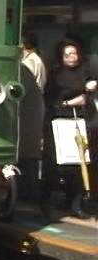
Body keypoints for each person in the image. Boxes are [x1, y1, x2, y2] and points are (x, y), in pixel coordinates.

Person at [42, 39, 97, 213]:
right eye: (67, 55)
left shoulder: (84, 73)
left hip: (81, 122)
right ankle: (48, 201)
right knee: (58, 166)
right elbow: (51, 100)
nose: (72, 58)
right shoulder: (56, 75)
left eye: (74, 54)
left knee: (79, 165)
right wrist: (69, 102)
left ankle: (75, 204)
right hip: (60, 124)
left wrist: (88, 91)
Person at [17, 32, 47, 201]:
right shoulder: (34, 60)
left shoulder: (30, 62)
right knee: (30, 153)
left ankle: (31, 193)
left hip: (29, 110)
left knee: (27, 154)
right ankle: (31, 191)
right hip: (32, 109)